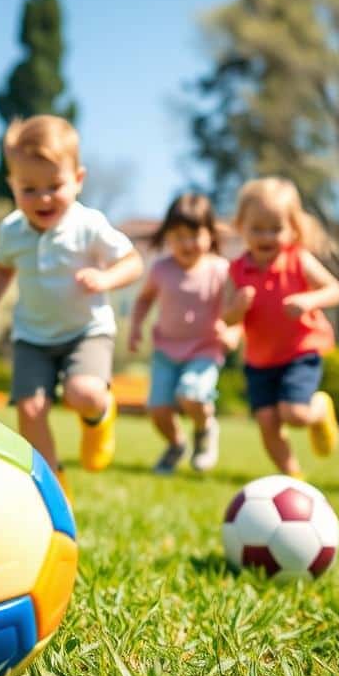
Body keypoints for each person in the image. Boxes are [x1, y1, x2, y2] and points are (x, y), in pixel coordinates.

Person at [0, 115, 143, 495]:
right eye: (28, 188)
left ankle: (99, 416)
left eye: (55, 186)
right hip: (32, 335)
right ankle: (52, 485)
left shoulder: (89, 225)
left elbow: (133, 263)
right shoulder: (12, 230)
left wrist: (105, 279)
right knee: (30, 411)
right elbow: (0, 271)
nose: (43, 198)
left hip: (86, 332)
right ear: (12, 185)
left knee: (83, 393)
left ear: (78, 180)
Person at [221, 178, 339, 479]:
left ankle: (318, 410)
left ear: (293, 229)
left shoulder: (298, 259)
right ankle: (293, 476)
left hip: (300, 350)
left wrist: (309, 299)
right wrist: (237, 308)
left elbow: (335, 290)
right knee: (267, 421)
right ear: (241, 227)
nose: (266, 236)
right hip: (260, 359)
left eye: (275, 228)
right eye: (257, 228)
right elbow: (227, 319)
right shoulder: (235, 271)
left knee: (295, 414)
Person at [128, 193, 239, 474]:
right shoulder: (161, 269)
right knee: (157, 409)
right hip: (166, 349)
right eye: (178, 236)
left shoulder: (220, 269)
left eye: (194, 235)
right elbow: (143, 300)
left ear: (209, 234)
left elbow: (238, 309)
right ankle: (176, 444)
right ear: (167, 236)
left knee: (192, 394)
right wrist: (135, 327)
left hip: (204, 348)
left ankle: (205, 430)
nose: (186, 243)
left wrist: (233, 333)